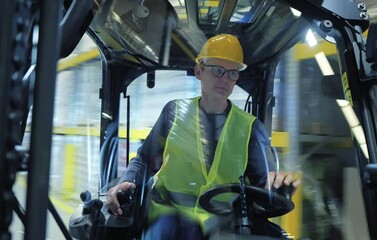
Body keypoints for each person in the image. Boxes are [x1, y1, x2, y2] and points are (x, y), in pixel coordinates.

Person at [106, 33, 300, 239]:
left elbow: (264, 182)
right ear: (199, 71)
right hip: (167, 218)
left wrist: (278, 188)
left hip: (221, 224)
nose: (225, 79)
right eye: (217, 71)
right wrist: (128, 180)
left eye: (232, 73)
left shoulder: (251, 127)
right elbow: (144, 159)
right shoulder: (173, 113)